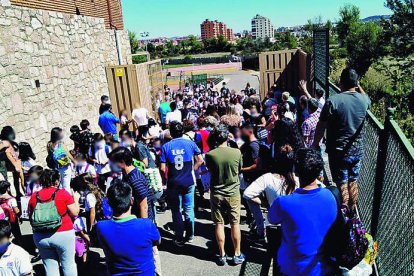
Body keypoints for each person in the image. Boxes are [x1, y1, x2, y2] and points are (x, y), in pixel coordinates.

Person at [268, 148, 337, 275]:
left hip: (293, 269)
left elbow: (272, 219)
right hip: (324, 268)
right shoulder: (332, 196)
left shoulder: (283, 202)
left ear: (296, 171)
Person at [313, 68, 371, 210]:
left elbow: (321, 126)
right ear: (356, 83)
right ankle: (352, 209)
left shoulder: (332, 101)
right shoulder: (364, 100)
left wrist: (315, 143)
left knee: (342, 183)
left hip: (338, 151)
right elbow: (367, 98)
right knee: (353, 181)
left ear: (341, 82)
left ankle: (345, 212)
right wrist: (358, 85)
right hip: (357, 150)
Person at [96, 180, 161, 276]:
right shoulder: (146, 225)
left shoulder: (101, 227)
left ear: (109, 203)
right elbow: (157, 241)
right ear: (132, 200)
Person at [205, 125, 245, 266]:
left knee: (219, 223)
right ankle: (237, 254)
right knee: (235, 223)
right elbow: (239, 169)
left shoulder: (210, 155)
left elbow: (210, 170)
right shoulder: (237, 152)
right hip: (233, 192)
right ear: (227, 137)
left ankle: (221, 254)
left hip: (216, 192)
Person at [28, 169, 80, 276]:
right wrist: (76, 200)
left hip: (41, 236)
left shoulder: (34, 196)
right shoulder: (63, 193)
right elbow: (75, 212)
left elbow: (31, 217)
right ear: (57, 181)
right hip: (63, 233)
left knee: (50, 267)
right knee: (68, 264)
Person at [159, 122, 203, 246]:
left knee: (176, 211)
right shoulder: (190, 143)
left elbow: (162, 168)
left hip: (173, 183)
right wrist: (193, 169)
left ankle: (179, 237)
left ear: (171, 133)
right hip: (189, 181)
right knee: (189, 209)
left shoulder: (166, 147)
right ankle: (190, 235)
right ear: (182, 131)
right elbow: (200, 160)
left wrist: (164, 179)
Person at [108, 147, 152, 220]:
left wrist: (143, 227)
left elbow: (144, 207)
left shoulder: (136, 179)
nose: (111, 165)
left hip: (139, 220)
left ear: (122, 162)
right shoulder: (126, 174)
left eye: (113, 162)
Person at [46, 127, 75, 193]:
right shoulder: (61, 144)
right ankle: (68, 200)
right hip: (66, 167)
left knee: (60, 186)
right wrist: (74, 162)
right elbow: (69, 155)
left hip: (56, 168)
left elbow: (51, 156)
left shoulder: (49, 145)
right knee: (66, 186)